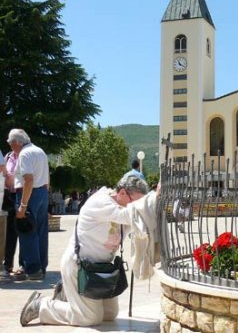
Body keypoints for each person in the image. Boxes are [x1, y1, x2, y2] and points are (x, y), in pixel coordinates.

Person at [19, 175, 154, 327]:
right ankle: (42, 305)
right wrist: (155, 199)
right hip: (80, 266)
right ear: (122, 192)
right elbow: (130, 215)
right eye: (135, 202)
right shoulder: (101, 202)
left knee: (109, 314)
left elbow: (140, 221)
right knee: (89, 318)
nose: (136, 207)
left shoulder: (123, 207)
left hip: (102, 269)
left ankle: (67, 295)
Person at [8, 129, 49, 281]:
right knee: (40, 231)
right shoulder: (40, 151)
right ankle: (40, 267)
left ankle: (32, 269)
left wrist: (23, 205)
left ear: (16, 143)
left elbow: (28, 180)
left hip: (29, 193)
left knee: (27, 230)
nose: (11, 148)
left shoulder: (24, 154)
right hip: (42, 192)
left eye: (11, 144)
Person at [2, 149, 20, 277]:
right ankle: (6, 264)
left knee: (15, 231)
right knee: (7, 232)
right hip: (7, 196)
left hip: (19, 195)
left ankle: (11, 263)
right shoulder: (8, 156)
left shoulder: (25, 156)